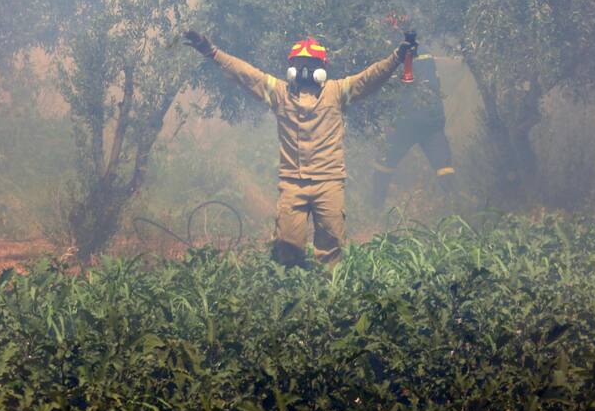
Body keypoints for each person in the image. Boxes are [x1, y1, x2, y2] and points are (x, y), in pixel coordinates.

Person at [184, 30, 416, 269]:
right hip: (292, 183)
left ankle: (329, 296)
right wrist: (212, 53)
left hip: (329, 182)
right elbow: (246, 74)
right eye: (300, 65)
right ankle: (292, 293)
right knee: (288, 246)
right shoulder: (279, 93)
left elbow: (370, 78)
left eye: (311, 65)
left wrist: (397, 57)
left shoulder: (337, 92)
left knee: (331, 248)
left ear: (321, 68)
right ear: (291, 67)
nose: (305, 71)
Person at [371, 51, 457, 209]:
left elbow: (393, 89)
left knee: (383, 165)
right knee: (444, 166)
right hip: (430, 123)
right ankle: (456, 210)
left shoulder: (397, 54)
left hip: (408, 125)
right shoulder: (423, 54)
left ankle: (375, 209)